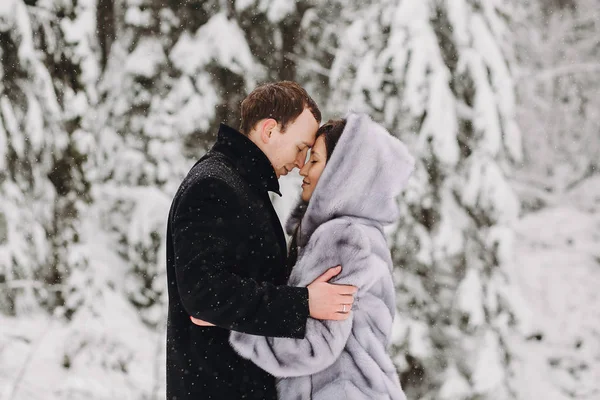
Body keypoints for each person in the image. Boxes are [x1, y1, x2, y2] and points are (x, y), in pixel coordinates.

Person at [165, 81, 358, 400]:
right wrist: (304, 303)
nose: (300, 165)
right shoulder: (214, 186)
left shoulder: (239, 185)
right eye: (300, 149)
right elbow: (202, 294)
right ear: (269, 130)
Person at [209, 113, 415, 399]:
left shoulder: (342, 237)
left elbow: (311, 346)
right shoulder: (366, 233)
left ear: (343, 174)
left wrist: (234, 320)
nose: (303, 170)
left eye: (315, 161)